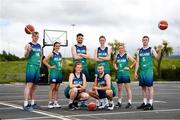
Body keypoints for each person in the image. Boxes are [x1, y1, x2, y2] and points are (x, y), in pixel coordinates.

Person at [135, 36, 161, 110]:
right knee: (143, 87)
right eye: (144, 40)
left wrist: (159, 50)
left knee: (150, 87)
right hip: (141, 71)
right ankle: (145, 102)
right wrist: (136, 72)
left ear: (148, 41)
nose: (145, 41)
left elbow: (157, 57)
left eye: (146, 40)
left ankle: (150, 103)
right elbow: (137, 62)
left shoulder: (151, 49)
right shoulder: (139, 50)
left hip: (148, 71)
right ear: (142, 41)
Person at [113, 43, 136, 108]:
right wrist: (116, 68)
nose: (120, 49)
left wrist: (130, 67)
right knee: (119, 89)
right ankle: (119, 102)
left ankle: (129, 102)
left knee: (127, 89)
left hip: (125, 74)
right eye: (119, 48)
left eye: (122, 48)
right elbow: (114, 63)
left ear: (124, 48)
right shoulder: (117, 55)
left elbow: (134, 61)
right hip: (119, 74)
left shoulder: (127, 55)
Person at [23, 32, 41, 111]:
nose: (36, 37)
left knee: (35, 86)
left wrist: (40, 63)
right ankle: (25, 104)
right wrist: (28, 51)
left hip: (37, 67)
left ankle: (33, 103)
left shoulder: (39, 45)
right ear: (32, 37)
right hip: (31, 66)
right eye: (35, 36)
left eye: (37, 36)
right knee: (29, 85)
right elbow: (25, 56)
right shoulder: (29, 45)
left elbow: (40, 55)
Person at [71, 33, 90, 107]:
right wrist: (84, 55)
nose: (80, 39)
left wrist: (80, 54)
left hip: (84, 67)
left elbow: (89, 56)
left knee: (83, 84)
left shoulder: (85, 47)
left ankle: (83, 101)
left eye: (81, 38)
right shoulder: (74, 47)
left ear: (83, 39)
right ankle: (75, 101)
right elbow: (75, 57)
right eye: (79, 38)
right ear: (76, 39)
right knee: (76, 84)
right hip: (76, 68)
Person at [43, 42, 62, 109]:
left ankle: (56, 102)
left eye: (59, 46)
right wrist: (50, 67)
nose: (58, 47)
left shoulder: (60, 54)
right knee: (52, 88)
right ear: (54, 46)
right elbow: (44, 61)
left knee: (57, 88)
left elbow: (60, 61)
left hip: (59, 72)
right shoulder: (51, 54)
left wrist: (60, 66)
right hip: (53, 73)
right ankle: (50, 102)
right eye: (56, 46)